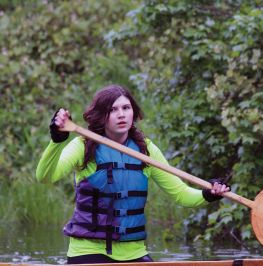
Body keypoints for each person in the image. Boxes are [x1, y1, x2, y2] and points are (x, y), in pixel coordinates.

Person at [36, 84, 230, 264]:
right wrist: (57, 140)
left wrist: (208, 193)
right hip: (87, 252)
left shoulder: (146, 150)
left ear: (133, 112)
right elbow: (45, 177)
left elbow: (182, 195)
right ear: (102, 115)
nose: (121, 115)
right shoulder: (83, 146)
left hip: (134, 253)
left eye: (126, 108)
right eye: (113, 110)